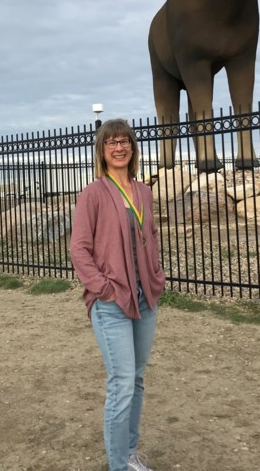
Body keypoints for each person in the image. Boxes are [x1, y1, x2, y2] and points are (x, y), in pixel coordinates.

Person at [70, 119, 167, 471]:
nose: (118, 147)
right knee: (122, 382)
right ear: (102, 150)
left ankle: (128, 451)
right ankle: (118, 465)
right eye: (110, 141)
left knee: (137, 378)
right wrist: (103, 289)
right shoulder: (93, 193)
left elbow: (150, 236)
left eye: (124, 140)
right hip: (112, 302)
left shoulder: (143, 192)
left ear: (132, 147)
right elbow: (79, 249)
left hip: (145, 297)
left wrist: (156, 274)